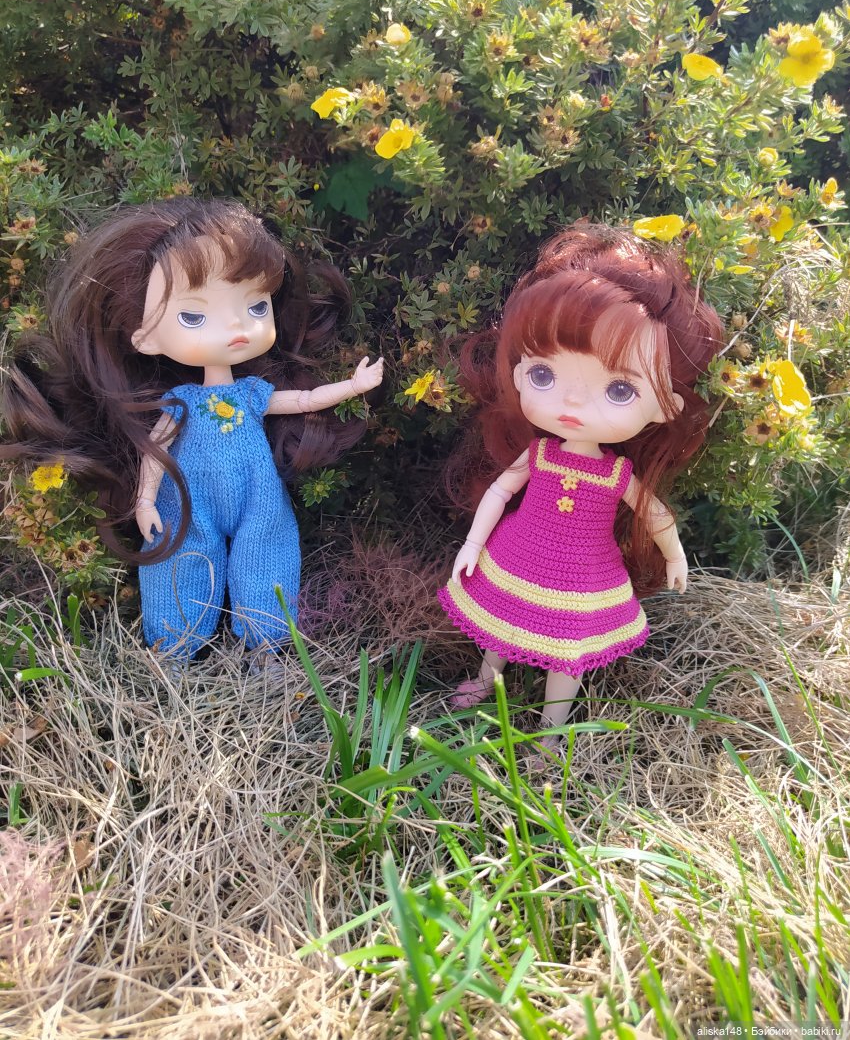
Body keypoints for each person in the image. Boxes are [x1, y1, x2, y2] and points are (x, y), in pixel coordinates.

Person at [1, 198, 383, 661]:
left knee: (267, 551)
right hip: (188, 496)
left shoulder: (252, 393)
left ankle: (268, 644)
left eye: (256, 305)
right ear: (145, 338)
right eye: (194, 316)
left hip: (257, 493)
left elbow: (302, 401)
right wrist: (145, 500)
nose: (237, 327)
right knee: (180, 557)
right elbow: (155, 447)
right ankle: (175, 646)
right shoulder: (181, 402)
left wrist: (353, 386)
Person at [438, 222, 723, 750]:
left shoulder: (615, 474)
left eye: (619, 389)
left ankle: (550, 732)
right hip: (519, 552)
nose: (571, 404)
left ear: (664, 408)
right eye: (544, 376)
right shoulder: (541, 455)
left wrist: (676, 555)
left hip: (584, 572)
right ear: (520, 375)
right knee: (502, 621)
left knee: (567, 652)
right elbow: (501, 491)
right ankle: (485, 680)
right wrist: (473, 544)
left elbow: (655, 514)